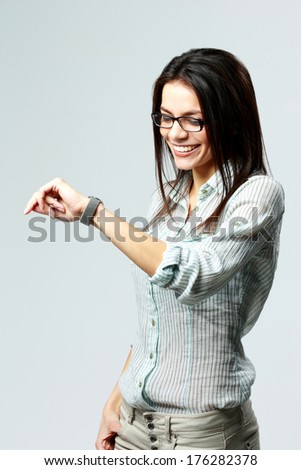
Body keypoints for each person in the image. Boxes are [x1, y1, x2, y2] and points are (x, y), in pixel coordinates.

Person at [24, 48, 285, 450]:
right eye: (165, 118)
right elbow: (155, 321)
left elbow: (194, 275)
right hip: (132, 426)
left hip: (204, 438)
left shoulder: (256, 196)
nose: (174, 133)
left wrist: (94, 212)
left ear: (229, 119)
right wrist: (114, 401)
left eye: (193, 120)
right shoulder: (166, 201)